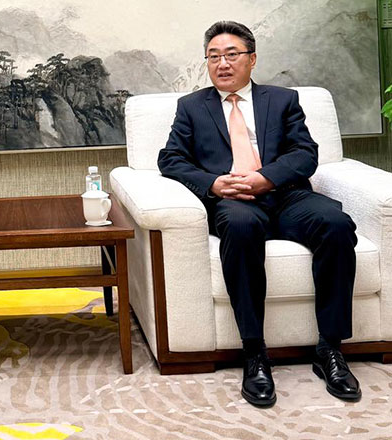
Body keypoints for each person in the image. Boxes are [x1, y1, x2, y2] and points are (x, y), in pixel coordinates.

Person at [158, 21, 360, 408]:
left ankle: (330, 349)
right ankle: (254, 353)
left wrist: (265, 178)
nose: (222, 63)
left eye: (231, 54)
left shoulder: (282, 100)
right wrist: (214, 184)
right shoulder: (192, 107)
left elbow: (305, 154)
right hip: (233, 200)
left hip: (284, 195)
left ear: (251, 59)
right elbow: (171, 159)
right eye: (213, 56)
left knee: (335, 224)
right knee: (240, 226)